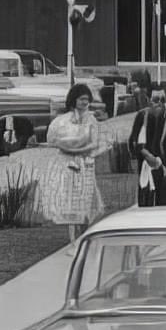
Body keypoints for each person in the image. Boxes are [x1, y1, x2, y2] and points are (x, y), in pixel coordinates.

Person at [41, 85, 108, 244]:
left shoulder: (91, 120)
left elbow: (94, 143)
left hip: (85, 164)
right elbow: (52, 141)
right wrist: (66, 148)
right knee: (70, 200)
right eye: (81, 99)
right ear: (74, 100)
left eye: (87, 99)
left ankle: (84, 235)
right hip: (68, 165)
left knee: (85, 199)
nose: (85, 102)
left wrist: (79, 150)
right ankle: (73, 239)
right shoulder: (61, 121)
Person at [128, 85, 166, 207]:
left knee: (163, 206)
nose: (159, 104)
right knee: (145, 205)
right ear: (148, 100)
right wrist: (145, 154)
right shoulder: (141, 117)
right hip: (147, 168)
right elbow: (133, 142)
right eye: (156, 100)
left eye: (162, 100)